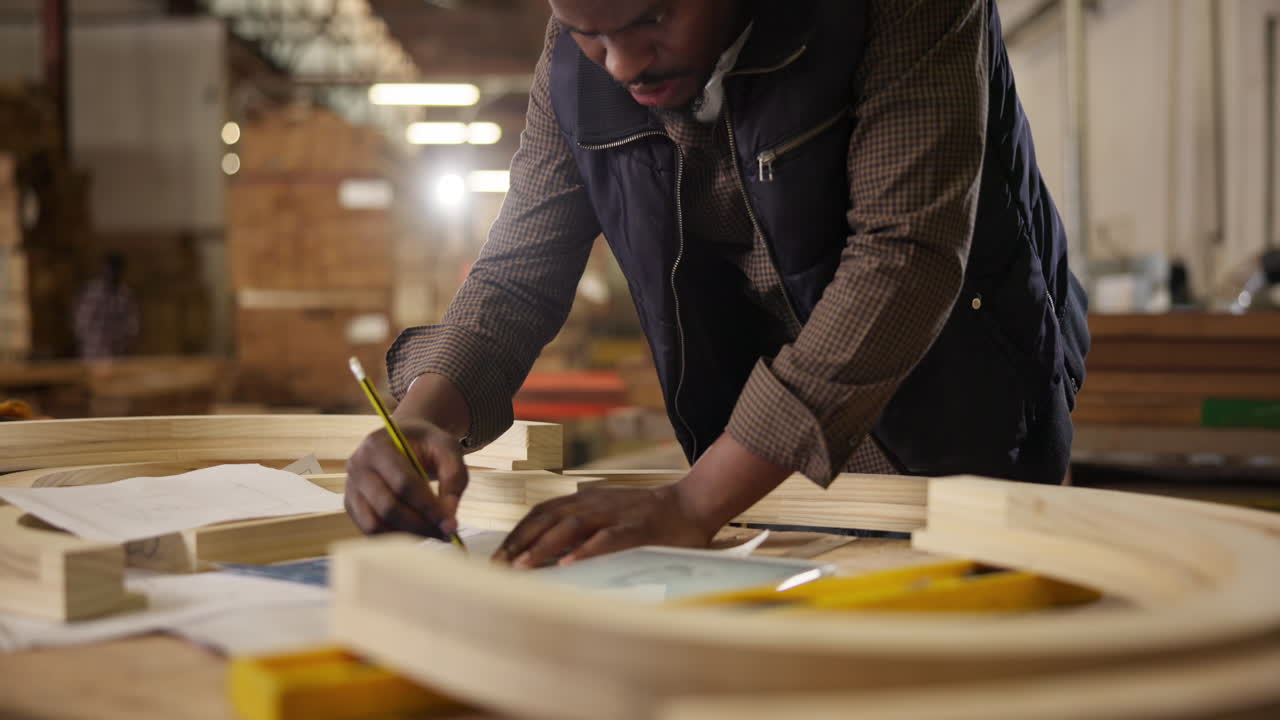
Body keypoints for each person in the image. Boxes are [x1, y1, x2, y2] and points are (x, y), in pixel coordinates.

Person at [345, 0, 1090, 568]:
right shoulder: (581, 57)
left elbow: (904, 259)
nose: (620, 63)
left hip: (958, 414)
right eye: (586, 32)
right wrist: (425, 415)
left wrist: (691, 500)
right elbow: (516, 271)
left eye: (654, 17)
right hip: (756, 465)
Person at [73, 253, 139, 360]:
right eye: (110, 268)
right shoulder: (92, 292)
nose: (113, 272)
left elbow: (132, 325)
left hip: (118, 353)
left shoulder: (125, 294)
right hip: (94, 352)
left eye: (117, 269)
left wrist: (125, 341)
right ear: (103, 269)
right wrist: (91, 342)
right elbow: (82, 322)